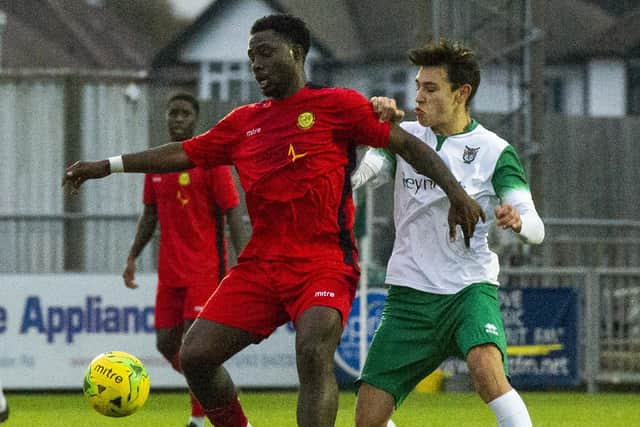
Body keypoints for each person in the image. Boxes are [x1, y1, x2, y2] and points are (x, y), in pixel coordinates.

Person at [63, 14, 484, 427]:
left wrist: (456, 192)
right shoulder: (244, 123)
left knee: (314, 349)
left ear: (296, 53)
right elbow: (183, 153)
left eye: (265, 52)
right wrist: (108, 165)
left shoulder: (337, 106)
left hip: (324, 262)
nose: (256, 64)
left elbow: (408, 146)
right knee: (195, 356)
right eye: (251, 57)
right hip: (262, 267)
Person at [352, 39, 545, 427]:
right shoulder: (403, 136)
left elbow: (536, 227)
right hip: (409, 296)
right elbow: (367, 173)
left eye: (431, 89)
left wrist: (518, 221)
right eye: (418, 87)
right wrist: (354, 166)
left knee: (486, 370)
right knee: (367, 419)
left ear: (462, 93)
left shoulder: (494, 150)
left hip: (468, 289)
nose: (418, 97)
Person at [123, 92, 247, 427]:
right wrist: (133, 254)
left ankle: (198, 418)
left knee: (194, 347)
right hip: (170, 272)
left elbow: (233, 212)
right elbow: (150, 214)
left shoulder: (210, 161)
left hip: (205, 270)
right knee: (166, 344)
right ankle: (214, 387)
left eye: (184, 114)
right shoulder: (158, 164)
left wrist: (244, 260)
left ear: (195, 119)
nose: (177, 119)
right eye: (172, 113)